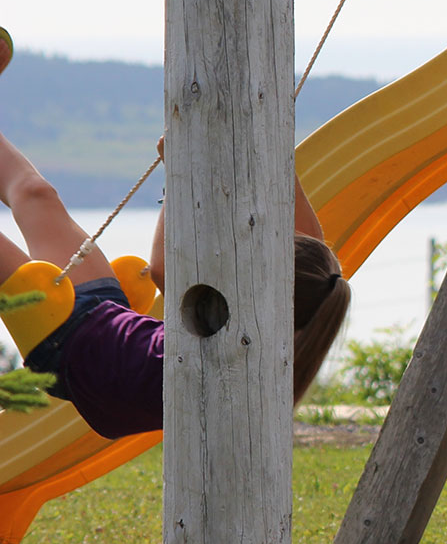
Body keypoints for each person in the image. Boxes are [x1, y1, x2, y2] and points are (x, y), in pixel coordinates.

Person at [0, 97, 350, 439]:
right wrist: (272, 146)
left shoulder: (232, 335)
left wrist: (180, 176)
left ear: (268, 288)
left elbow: (164, 269)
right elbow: (309, 241)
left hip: (68, 346)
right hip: (108, 322)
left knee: (29, 201)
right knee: (35, 192)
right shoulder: (312, 294)